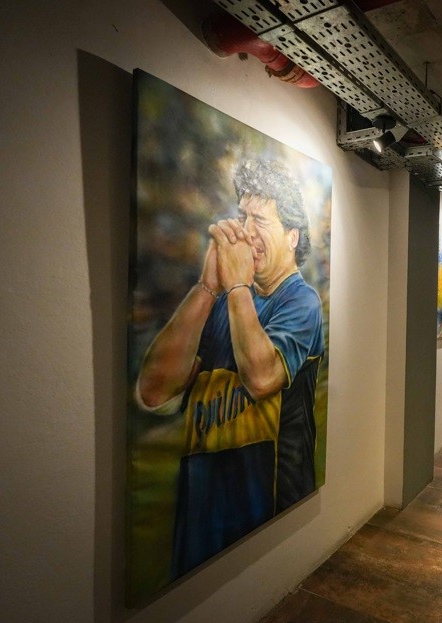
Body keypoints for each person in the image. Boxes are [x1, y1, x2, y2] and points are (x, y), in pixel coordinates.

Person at [135, 158, 324, 578]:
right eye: (242, 218)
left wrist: (236, 284)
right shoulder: (224, 304)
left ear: (292, 236)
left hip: (269, 514)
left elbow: (261, 378)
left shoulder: (302, 301)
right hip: (200, 520)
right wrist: (208, 288)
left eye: (260, 220)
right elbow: (154, 390)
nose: (245, 232)